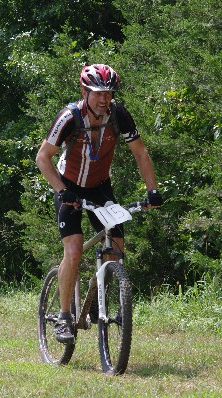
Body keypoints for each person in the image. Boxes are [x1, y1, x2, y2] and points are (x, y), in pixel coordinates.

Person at [35, 64, 163, 344]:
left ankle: (97, 295)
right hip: (68, 186)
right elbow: (42, 158)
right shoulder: (69, 117)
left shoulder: (119, 115)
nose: (104, 99)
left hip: (100, 187)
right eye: (97, 93)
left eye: (108, 93)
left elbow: (140, 154)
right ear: (84, 92)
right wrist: (60, 191)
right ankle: (65, 316)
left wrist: (152, 191)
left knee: (116, 245)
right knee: (75, 249)